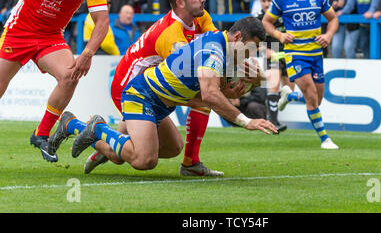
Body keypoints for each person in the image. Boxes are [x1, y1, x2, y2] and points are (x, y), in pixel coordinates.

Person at [50, 0, 235, 176]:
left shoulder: (201, 17)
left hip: (146, 86)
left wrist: (231, 75)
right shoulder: (171, 35)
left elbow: (219, 47)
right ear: (181, 3)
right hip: (129, 87)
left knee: (172, 147)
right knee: (131, 155)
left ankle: (96, 136)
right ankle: (83, 128)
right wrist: (224, 90)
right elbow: (183, 83)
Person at [51, 17, 277, 174]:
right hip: (141, 96)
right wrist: (245, 121)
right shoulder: (214, 52)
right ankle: (97, 128)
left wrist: (254, 81)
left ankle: (74, 125)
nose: (251, 54)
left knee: (165, 149)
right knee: (144, 160)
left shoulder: (224, 47)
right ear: (237, 36)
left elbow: (217, 91)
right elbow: (210, 95)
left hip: (161, 103)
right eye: (251, 47)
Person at [0, 0, 109, 162]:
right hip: (19, 32)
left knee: (70, 76)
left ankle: (41, 134)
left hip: (50, 37)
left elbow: (102, 21)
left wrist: (87, 53)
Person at [262, 0, 340, 150]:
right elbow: (266, 22)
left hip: (316, 54)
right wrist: (280, 35)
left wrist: (328, 35)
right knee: (311, 94)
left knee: (316, 100)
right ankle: (325, 139)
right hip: (295, 54)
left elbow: (333, 19)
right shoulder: (281, 0)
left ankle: (289, 96)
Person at [256, 0, 293, 132]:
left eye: (269, 1)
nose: (266, 4)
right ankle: (273, 121)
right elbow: (253, 42)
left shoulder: (285, 15)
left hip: (289, 53)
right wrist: (265, 50)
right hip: (273, 53)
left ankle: (271, 111)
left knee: (289, 90)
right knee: (274, 84)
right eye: (263, 1)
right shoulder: (258, 19)